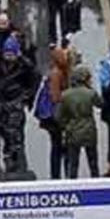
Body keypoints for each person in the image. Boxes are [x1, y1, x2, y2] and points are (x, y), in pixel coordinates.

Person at [0, 35, 38, 178]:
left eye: (11, 54)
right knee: (1, 128)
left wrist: (26, 98)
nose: (9, 57)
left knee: (15, 130)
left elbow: (33, 82)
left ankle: (14, 156)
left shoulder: (25, 65)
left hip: (15, 101)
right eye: (7, 54)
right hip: (0, 100)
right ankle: (9, 149)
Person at [56, 65, 102, 179]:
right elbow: (101, 104)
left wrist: (66, 126)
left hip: (72, 131)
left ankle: (72, 183)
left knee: (73, 163)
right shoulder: (90, 93)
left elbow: (58, 116)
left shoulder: (65, 95)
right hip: (89, 130)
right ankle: (96, 182)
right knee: (93, 162)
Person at [36, 46, 72, 179]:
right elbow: (55, 97)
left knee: (57, 145)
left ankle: (57, 174)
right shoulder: (57, 74)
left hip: (53, 116)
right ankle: (59, 174)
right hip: (56, 116)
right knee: (59, 145)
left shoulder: (56, 72)